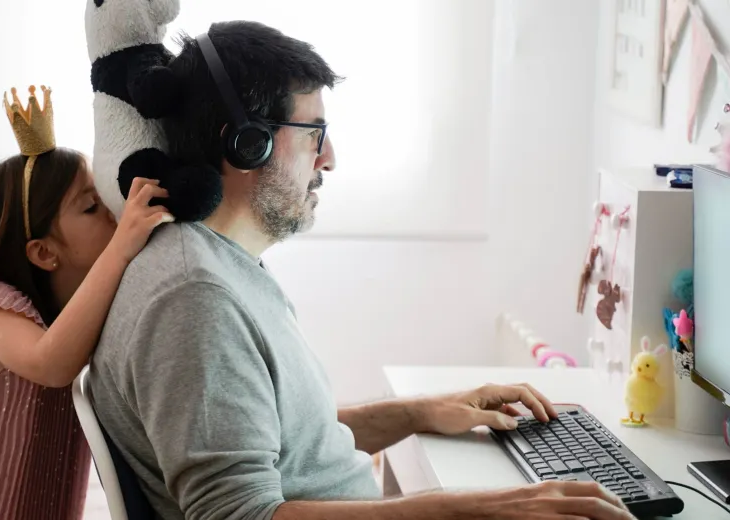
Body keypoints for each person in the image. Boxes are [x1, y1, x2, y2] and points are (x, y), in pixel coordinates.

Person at [88, 22, 637, 520]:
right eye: (314, 134)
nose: (329, 159)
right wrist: (464, 510)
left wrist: (422, 412)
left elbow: (290, 445)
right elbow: (238, 515)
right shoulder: (195, 297)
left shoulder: (217, 267)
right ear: (246, 143)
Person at [0, 86, 173, 520]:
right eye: (92, 206)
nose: (113, 212)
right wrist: (122, 247)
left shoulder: (73, 310)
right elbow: (51, 363)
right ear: (43, 253)